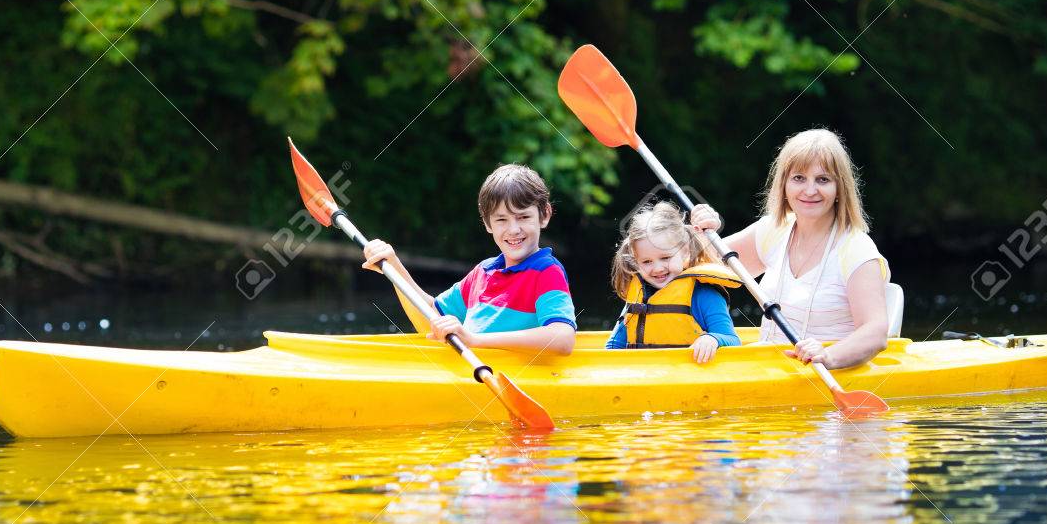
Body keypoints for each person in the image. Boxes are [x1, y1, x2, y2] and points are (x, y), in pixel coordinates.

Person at [690, 129, 889, 369]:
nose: (810, 190)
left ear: (840, 188)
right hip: (771, 369)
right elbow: (695, 265)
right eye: (799, 178)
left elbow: (876, 332)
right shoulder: (775, 229)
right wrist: (703, 233)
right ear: (784, 184)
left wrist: (828, 356)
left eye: (823, 180)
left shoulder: (856, 249)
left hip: (824, 372)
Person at [361, 163, 576, 355]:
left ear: (544, 215)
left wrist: (474, 340)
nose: (513, 229)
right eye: (501, 220)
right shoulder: (483, 273)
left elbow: (563, 338)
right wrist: (394, 269)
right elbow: (431, 321)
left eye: (523, 217)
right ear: (488, 224)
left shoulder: (547, 271)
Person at [606, 201, 741, 363]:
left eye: (665, 258)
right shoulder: (638, 297)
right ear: (636, 261)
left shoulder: (704, 294)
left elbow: (732, 340)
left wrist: (713, 339)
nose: (657, 268)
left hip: (691, 375)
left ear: (685, 251)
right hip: (646, 374)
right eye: (647, 262)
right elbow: (614, 346)